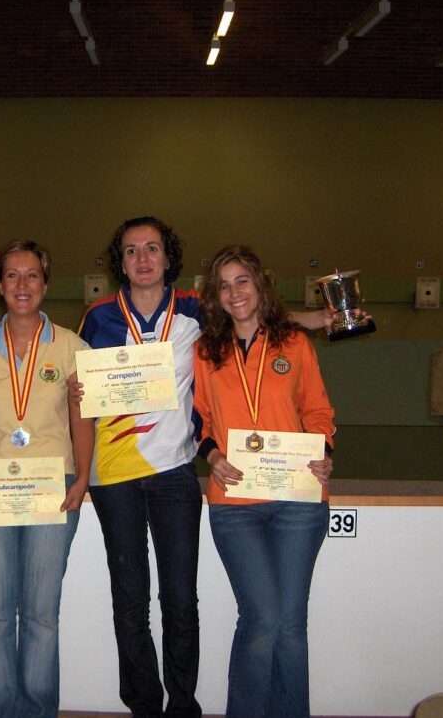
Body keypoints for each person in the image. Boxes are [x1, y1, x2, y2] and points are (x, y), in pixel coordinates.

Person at [78, 217, 333, 718]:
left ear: (168, 256)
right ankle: (144, 705)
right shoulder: (98, 317)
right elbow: (81, 390)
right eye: (131, 251)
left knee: (180, 601)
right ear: (120, 262)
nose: (143, 258)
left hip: (176, 470)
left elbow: (253, 311)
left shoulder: (196, 311)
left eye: (152, 248)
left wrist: (321, 319)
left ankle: (182, 705)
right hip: (115, 472)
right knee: (130, 600)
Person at [0, 240, 94, 718]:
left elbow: (83, 418)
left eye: (32, 275)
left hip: (53, 490)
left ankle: (36, 710)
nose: (22, 285)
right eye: (12, 275)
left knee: (41, 614)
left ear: (46, 284)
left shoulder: (71, 346)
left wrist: (83, 478)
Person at [193, 245, 335, 718]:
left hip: (298, 498)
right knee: (262, 619)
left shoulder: (294, 344)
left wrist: (324, 453)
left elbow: (318, 411)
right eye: (224, 285)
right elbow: (198, 419)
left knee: (291, 624)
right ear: (214, 296)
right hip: (235, 503)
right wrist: (212, 456)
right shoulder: (204, 351)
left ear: (260, 285)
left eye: (243, 281)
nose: (234, 293)